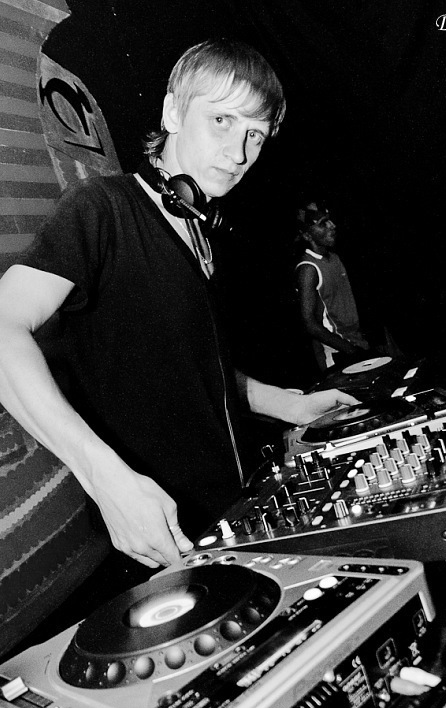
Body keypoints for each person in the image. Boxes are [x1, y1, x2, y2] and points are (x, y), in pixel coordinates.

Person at [0, 39, 357, 573]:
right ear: (172, 112)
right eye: (221, 120)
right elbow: (3, 327)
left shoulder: (200, 235)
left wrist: (287, 405)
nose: (238, 154)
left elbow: (184, 366)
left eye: (255, 134)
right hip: (160, 540)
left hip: (229, 516)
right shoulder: (104, 208)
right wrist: (102, 475)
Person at [295, 199, 374, 373]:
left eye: (329, 220)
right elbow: (309, 323)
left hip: (357, 344)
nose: (332, 225)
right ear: (307, 236)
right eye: (323, 223)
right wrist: (351, 351)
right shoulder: (308, 269)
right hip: (338, 355)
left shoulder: (334, 258)